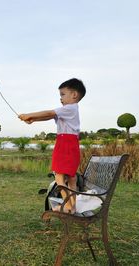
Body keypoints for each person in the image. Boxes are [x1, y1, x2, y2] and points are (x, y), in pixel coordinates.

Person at [19, 78, 86, 213]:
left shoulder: (70, 108)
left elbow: (50, 113)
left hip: (65, 144)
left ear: (74, 95)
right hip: (69, 144)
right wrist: (33, 119)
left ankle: (67, 206)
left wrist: (28, 115)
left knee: (59, 177)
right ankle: (72, 206)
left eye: (62, 94)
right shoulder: (68, 110)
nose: (60, 98)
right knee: (71, 177)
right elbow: (49, 116)